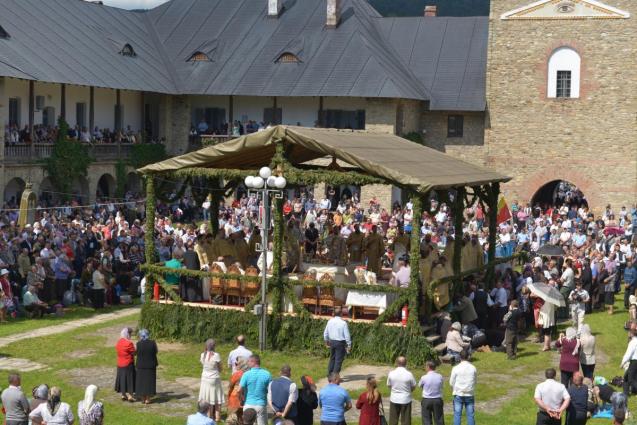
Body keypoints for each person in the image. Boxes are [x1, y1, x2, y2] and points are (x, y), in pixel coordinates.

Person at [239, 354, 272, 425]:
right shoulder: (267, 374)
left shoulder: (246, 374)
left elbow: (239, 390)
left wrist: (241, 398)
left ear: (253, 362)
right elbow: (270, 390)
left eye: (249, 361)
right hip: (261, 404)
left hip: (248, 404)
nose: (247, 363)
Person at [199, 339, 224, 421]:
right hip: (214, 378)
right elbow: (220, 368)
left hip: (205, 378)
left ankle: (209, 416)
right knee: (217, 398)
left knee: (207, 398)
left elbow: (203, 364)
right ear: (214, 346)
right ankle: (217, 417)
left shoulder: (203, 355)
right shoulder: (216, 355)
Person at [386, 356, 416, 425]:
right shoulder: (409, 374)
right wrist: (408, 391)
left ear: (397, 363)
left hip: (394, 398)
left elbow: (389, 385)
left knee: (393, 420)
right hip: (406, 399)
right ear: (406, 363)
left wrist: (394, 391)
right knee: (406, 421)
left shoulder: (391, 373)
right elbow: (413, 386)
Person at [449, 351, 476, 425]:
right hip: (469, 394)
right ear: (468, 357)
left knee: (457, 415)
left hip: (458, 394)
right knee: (470, 415)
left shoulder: (455, 368)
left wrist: (455, 388)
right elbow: (474, 381)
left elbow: (451, 382)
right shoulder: (473, 368)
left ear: (460, 357)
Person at [323, 307, 351, 376]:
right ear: (341, 314)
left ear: (334, 314)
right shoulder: (343, 323)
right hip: (340, 343)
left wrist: (326, 341)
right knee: (338, 360)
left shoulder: (330, 321)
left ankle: (330, 374)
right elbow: (347, 336)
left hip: (332, 342)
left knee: (332, 358)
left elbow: (325, 333)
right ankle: (335, 377)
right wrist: (349, 344)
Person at [135, 329, 158, 405]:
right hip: (150, 365)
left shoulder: (138, 344)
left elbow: (136, 353)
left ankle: (142, 398)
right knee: (149, 382)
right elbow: (156, 351)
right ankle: (148, 399)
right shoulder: (153, 343)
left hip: (141, 365)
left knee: (141, 382)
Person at [418, 361, 444, 425]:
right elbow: (441, 385)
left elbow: (420, 385)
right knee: (439, 419)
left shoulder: (424, 377)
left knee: (426, 420)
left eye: (426, 366)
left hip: (427, 399)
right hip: (437, 399)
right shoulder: (439, 376)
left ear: (428, 367)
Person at [114, 327, 136, 402]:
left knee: (122, 379)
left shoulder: (119, 342)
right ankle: (130, 396)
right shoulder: (129, 343)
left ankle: (123, 395)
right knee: (130, 380)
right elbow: (134, 352)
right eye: (130, 334)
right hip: (128, 363)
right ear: (128, 334)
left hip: (120, 363)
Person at [620, 327, 637, 396]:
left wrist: (622, 363)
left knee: (631, 379)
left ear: (631, 333)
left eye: (628, 331)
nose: (628, 333)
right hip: (635, 362)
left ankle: (626, 393)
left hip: (634, 362)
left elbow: (628, 354)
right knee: (626, 377)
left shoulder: (633, 342)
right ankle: (626, 393)